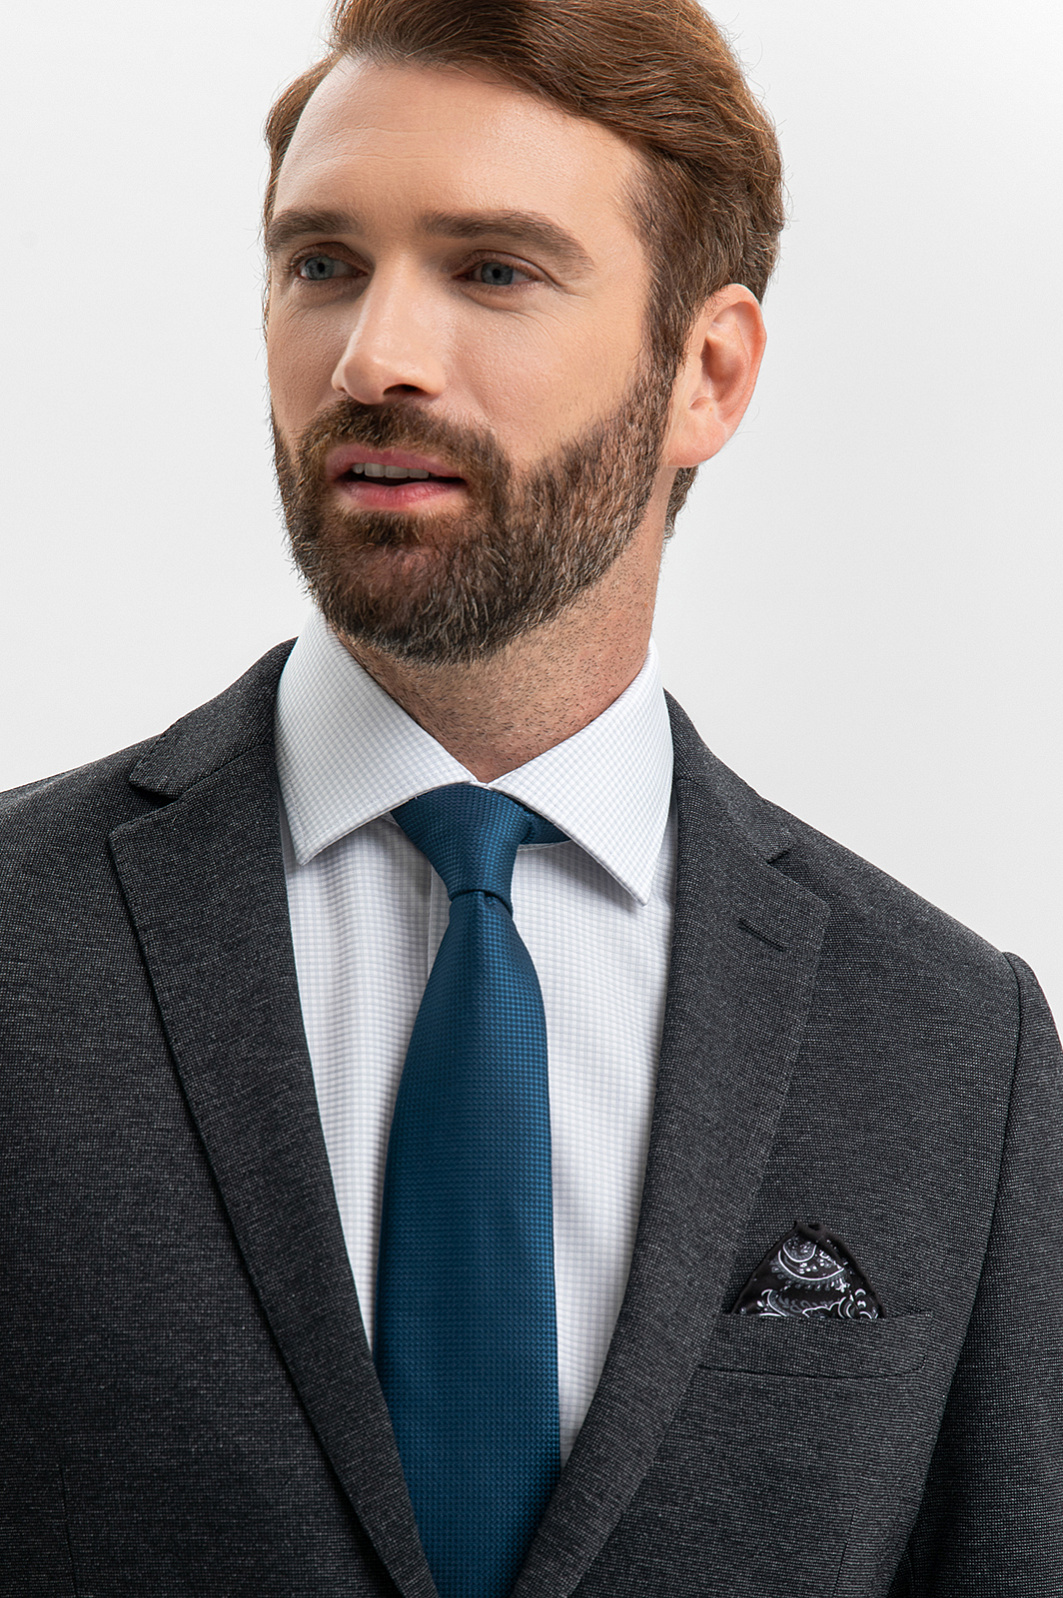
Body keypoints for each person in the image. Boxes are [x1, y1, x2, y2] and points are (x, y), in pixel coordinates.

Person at [1, 0, 1060, 1593]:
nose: (374, 355)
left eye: (491, 270)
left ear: (708, 370)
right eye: (321, 263)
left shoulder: (956, 1053)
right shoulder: (21, 943)